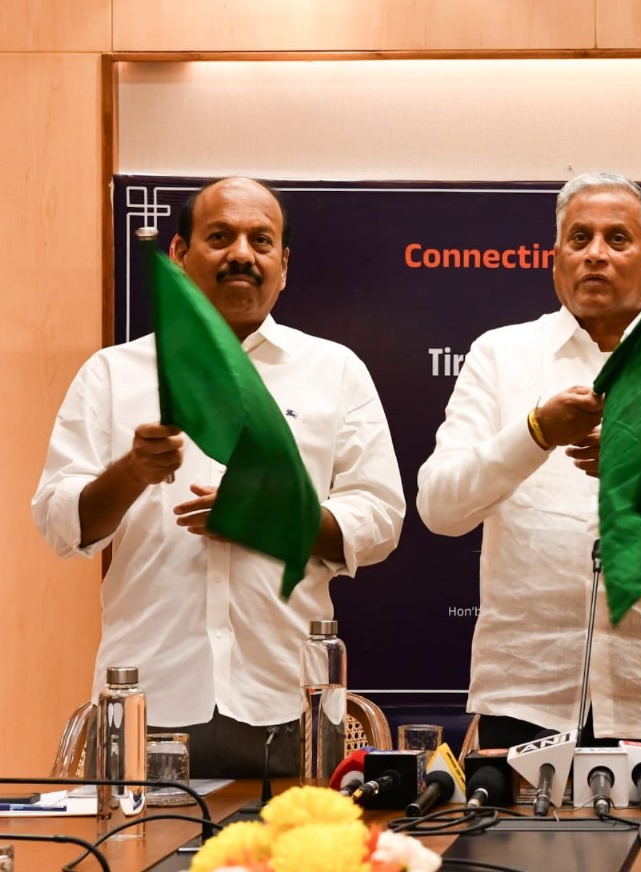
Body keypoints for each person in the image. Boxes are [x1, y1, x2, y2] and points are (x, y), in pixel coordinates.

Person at [32, 177, 406, 777]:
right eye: (220, 236)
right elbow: (59, 521)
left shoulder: (334, 371)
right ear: (180, 254)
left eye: (261, 240)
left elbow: (381, 521)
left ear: (284, 266)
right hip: (146, 701)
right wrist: (133, 471)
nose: (242, 254)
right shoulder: (112, 373)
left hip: (291, 702)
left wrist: (272, 516)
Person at [417, 172, 641, 751]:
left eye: (617, 239)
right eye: (579, 238)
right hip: (529, 694)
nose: (595, 254)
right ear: (555, 259)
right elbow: (440, 507)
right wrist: (536, 433)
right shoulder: (501, 355)